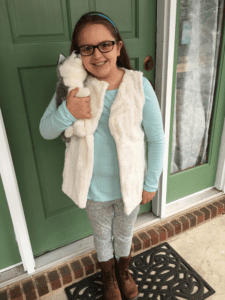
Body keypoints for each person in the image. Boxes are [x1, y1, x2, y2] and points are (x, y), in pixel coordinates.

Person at [39, 11, 165, 300]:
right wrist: (67, 112)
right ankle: (108, 277)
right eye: (87, 48)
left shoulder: (139, 85)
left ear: (118, 47)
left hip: (129, 186)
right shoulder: (73, 90)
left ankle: (123, 272)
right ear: (78, 54)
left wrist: (151, 182)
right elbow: (46, 129)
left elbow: (157, 138)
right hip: (94, 189)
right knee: (102, 235)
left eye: (105, 45)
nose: (97, 55)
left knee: (123, 233)